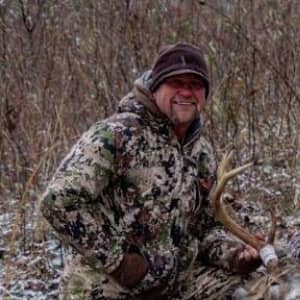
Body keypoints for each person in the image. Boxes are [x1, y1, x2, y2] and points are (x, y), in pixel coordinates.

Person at [40, 43, 262, 300]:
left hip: (174, 283)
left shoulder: (200, 152)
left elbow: (204, 227)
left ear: (205, 94)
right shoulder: (116, 135)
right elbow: (57, 201)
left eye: (195, 85)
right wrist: (119, 263)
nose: (186, 92)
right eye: (176, 82)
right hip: (107, 284)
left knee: (248, 286)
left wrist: (234, 255)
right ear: (156, 87)